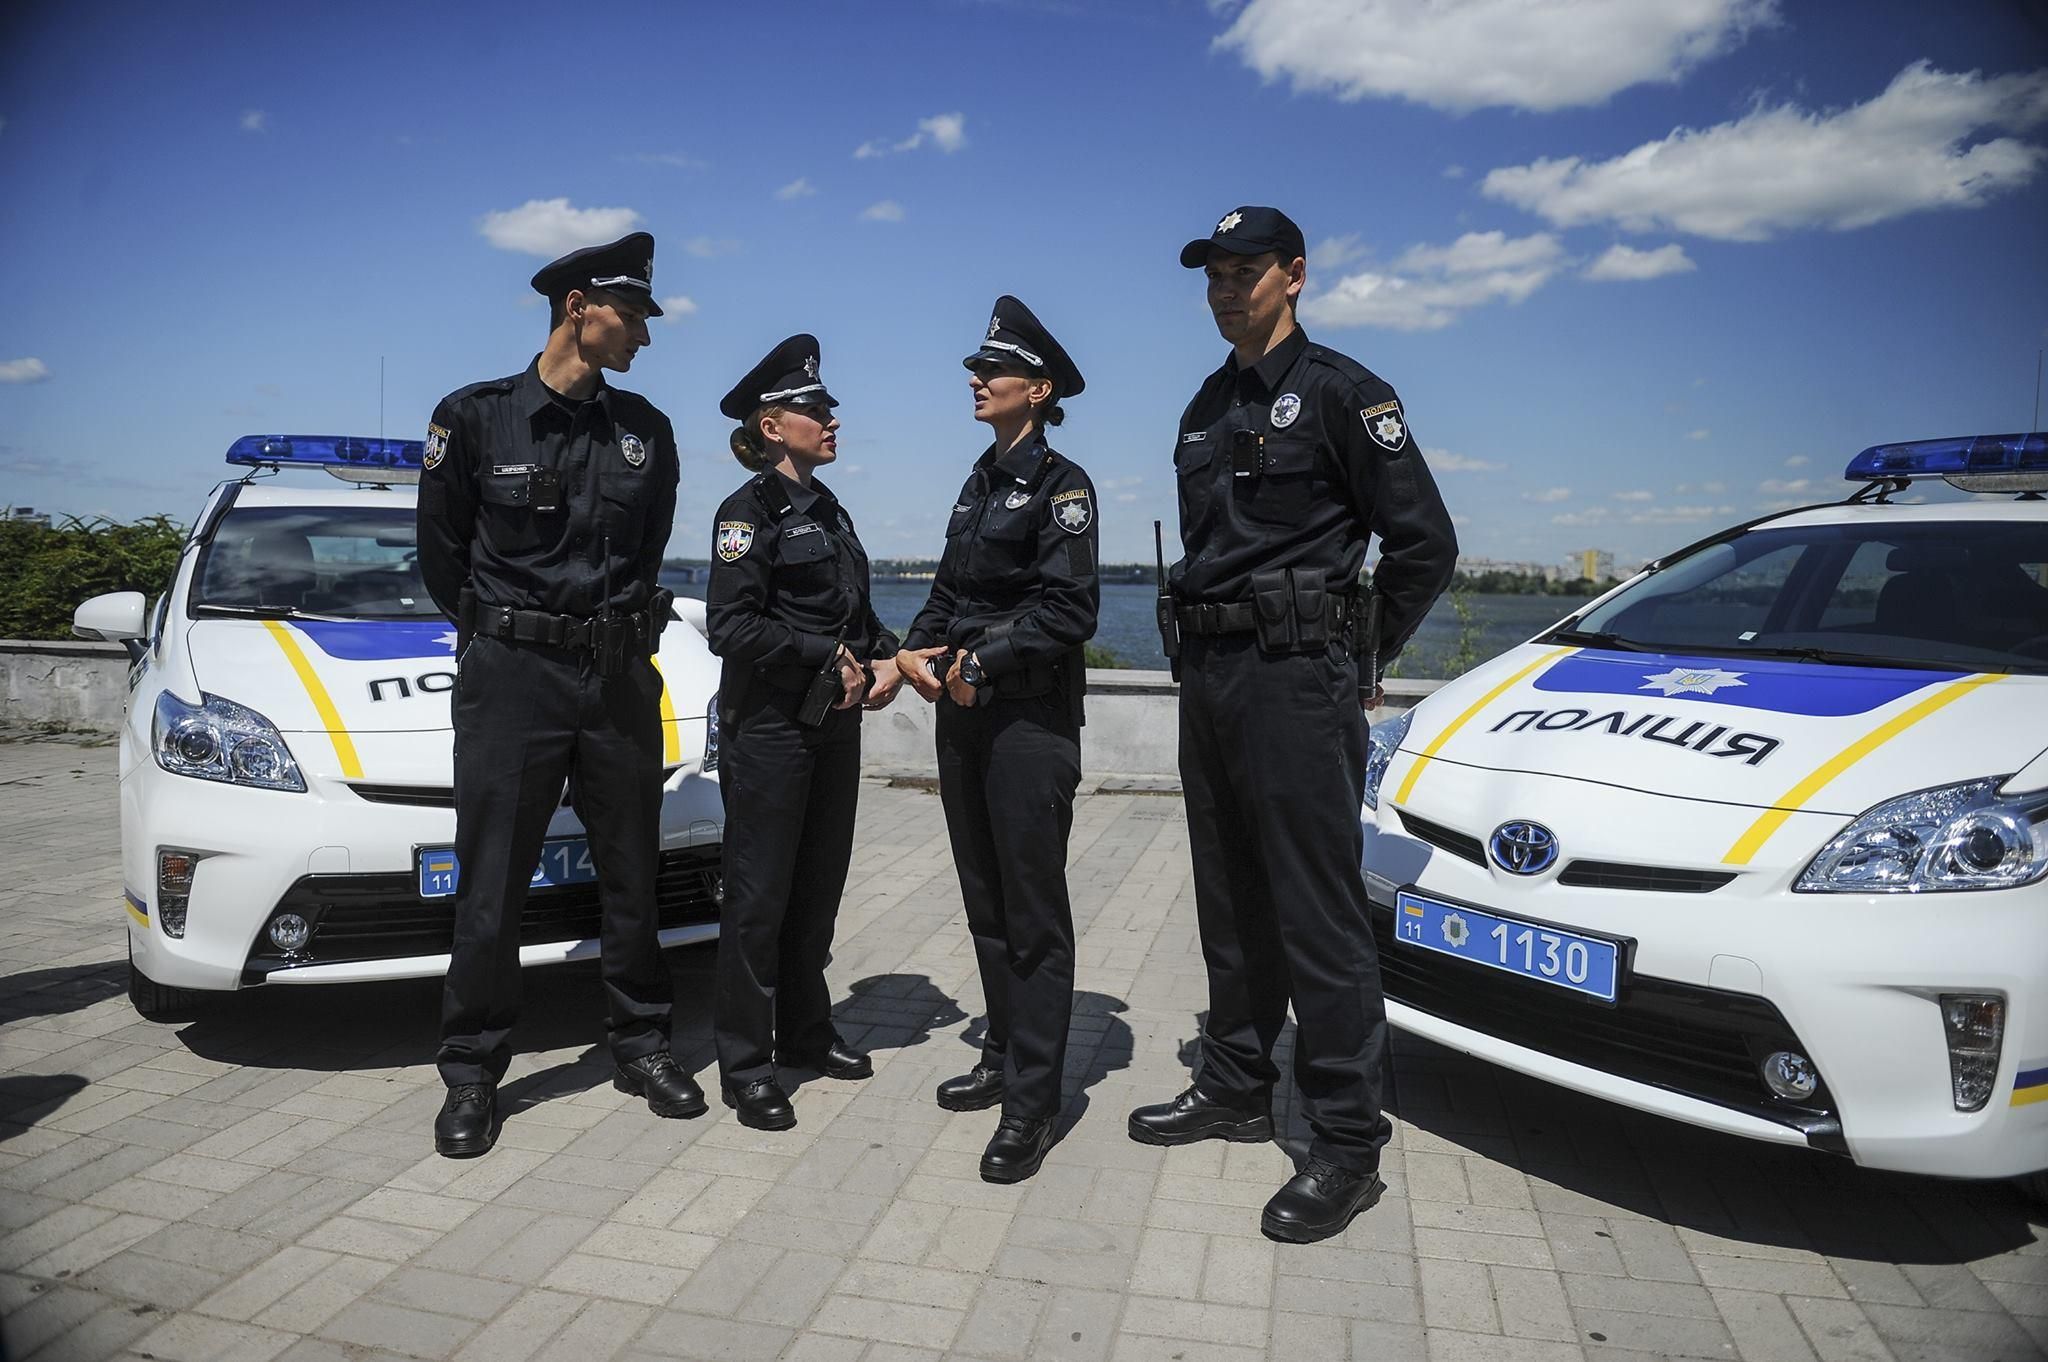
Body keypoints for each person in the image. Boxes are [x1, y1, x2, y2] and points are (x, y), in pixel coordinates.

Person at [1127, 207, 1457, 1241]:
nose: (1225, 287)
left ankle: (1345, 1143)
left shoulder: (1344, 396)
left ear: (1294, 276)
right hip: (1213, 675)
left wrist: (1355, 658)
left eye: (1245, 270)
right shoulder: (1204, 404)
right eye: (1213, 274)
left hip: (1295, 680)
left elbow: (1423, 547)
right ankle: (1232, 1084)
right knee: (1229, 897)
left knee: (1314, 913)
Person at [417, 231, 702, 1158]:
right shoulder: (475, 418)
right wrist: (508, 635)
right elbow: (442, 556)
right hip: (513, 680)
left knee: (632, 874)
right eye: (635, 317)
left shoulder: (646, 432)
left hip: (618, 675)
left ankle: (643, 1045)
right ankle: (471, 1073)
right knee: (493, 884)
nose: (646, 338)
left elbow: (649, 546)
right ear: (580, 305)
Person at [896, 296, 1100, 1184]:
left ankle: (1035, 1099)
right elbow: (948, 595)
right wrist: (913, 648)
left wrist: (982, 661)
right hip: (964, 712)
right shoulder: (977, 483)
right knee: (984, 900)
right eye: (977, 370)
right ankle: (1002, 1052)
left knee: (1031, 910)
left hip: (1027, 721)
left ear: (1039, 389)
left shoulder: (1066, 487)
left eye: (995, 371)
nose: (977, 380)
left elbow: (1069, 611)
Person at [705, 335, 903, 1130]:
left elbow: (853, 615)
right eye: (817, 410)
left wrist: (889, 655)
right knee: (758, 901)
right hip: (771, 731)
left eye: (830, 410)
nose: (831, 422)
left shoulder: (832, 511)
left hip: (832, 727)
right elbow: (731, 627)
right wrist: (830, 655)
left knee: (816, 893)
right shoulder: (744, 515)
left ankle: (808, 1035)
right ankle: (747, 1063)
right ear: (773, 423)